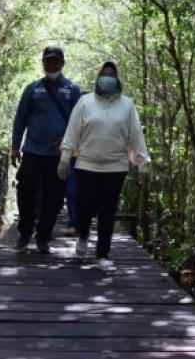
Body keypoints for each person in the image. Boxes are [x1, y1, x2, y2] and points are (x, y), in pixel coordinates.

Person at [57, 61, 150, 271]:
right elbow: (72, 131)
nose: (107, 78)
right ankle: (82, 237)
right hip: (86, 164)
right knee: (84, 207)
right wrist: (65, 158)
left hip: (115, 167)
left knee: (108, 211)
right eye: (104, 74)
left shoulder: (127, 105)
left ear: (117, 79)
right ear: (98, 77)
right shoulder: (84, 102)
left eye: (112, 75)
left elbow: (136, 135)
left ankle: (102, 254)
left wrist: (143, 163)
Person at [11, 46, 82, 252]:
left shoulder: (72, 89)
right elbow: (21, 118)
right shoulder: (32, 89)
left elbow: (80, 122)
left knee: (54, 196)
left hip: (58, 155)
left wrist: (68, 139)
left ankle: (43, 237)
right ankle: (25, 232)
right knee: (25, 189)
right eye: (48, 61)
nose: (52, 65)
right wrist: (15, 147)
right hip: (32, 150)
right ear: (43, 62)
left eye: (55, 61)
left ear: (62, 63)